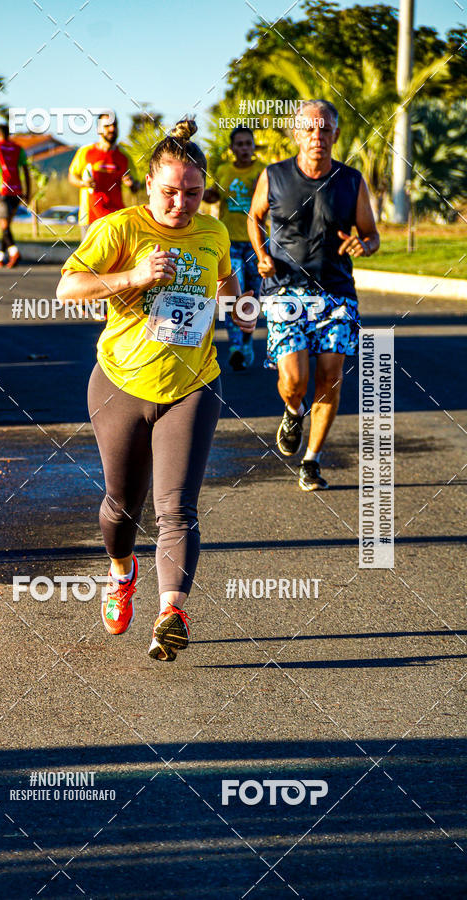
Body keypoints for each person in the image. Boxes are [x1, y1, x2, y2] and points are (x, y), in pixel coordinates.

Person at [57, 119, 253, 662]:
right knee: (122, 506)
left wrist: (241, 314)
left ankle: (171, 613)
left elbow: (226, 281)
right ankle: (122, 572)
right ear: (149, 185)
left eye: (192, 192)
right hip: (120, 381)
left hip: (192, 384)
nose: (181, 203)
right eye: (170, 191)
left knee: (177, 509)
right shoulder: (120, 228)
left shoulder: (212, 231)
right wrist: (134, 278)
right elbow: (68, 286)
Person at [248, 99, 380, 491]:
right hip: (285, 289)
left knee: (330, 377)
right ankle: (292, 410)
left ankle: (312, 459)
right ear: (297, 133)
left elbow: (372, 235)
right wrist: (261, 255)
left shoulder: (351, 181)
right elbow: (254, 218)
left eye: (325, 129)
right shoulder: (274, 176)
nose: (317, 136)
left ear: (336, 135)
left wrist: (363, 244)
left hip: (337, 293)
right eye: (309, 128)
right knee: (295, 380)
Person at [204, 126, 264, 370]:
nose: (243, 149)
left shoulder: (262, 172)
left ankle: (247, 340)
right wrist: (201, 192)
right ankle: (236, 346)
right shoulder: (223, 171)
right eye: (239, 144)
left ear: (253, 146)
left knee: (253, 295)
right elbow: (213, 197)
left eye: (247, 144)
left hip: (256, 241)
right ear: (232, 148)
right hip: (229, 242)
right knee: (232, 295)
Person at [68, 113, 139, 240]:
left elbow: (136, 186)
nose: (112, 129)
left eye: (114, 125)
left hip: (116, 216)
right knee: (90, 259)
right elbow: (72, 177)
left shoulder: (124, 156)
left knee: (116, 258)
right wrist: (84, 183)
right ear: (98, 129)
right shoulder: (86, 152)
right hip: (90, 216)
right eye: (107, 126)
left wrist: (132, 184)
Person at [0, 123, 30, 268]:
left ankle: (14, 251)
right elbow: (26, 170)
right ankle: (0, 256)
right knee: (7, 225)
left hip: (0, 191)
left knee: (4, 225)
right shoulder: (18, 148)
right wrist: (28, 191)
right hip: (17, 191)